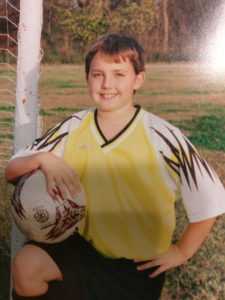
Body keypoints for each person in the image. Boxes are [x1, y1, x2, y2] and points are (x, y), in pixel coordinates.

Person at [5, 33, 225, 300]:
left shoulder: (163, 136)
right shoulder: (74, 126)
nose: (107, 84)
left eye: (119, 74)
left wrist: (182, 252)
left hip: (137, 267)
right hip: (82, 248)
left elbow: (211, 198)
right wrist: (43, 159)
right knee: (26, 265)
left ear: (138, 79)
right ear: (87, 78)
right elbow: (12, 170)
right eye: (98, 74)